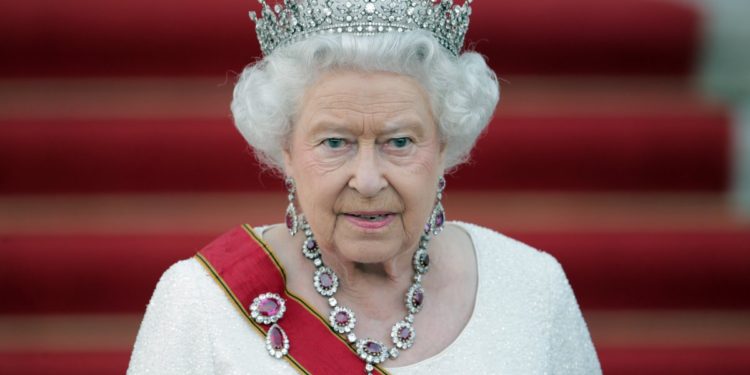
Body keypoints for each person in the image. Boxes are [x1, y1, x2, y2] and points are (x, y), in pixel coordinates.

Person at [128, 0, 601, 373]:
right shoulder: (201, 304)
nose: (369, 180)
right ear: (286, 151)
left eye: (399, 141)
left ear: (443, 148)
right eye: (335, 142)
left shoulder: (531, 288)